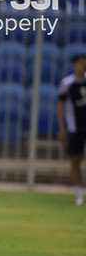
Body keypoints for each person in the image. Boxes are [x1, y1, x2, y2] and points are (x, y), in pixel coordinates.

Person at [58, 53, 86, 206]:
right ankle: (78, 193)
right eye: (81, 63)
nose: (83, 66)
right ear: (74, 65)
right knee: (75, 160)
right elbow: (60, 106)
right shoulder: (67, 83)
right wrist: (62, 128)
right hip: (75, 128)